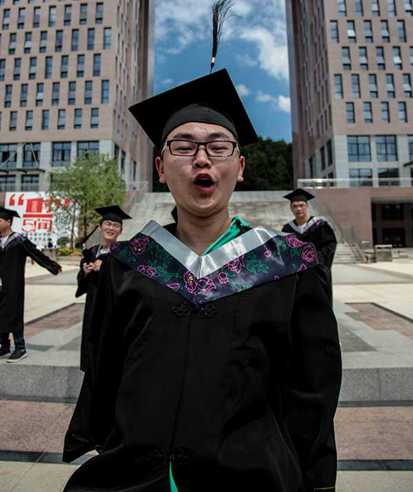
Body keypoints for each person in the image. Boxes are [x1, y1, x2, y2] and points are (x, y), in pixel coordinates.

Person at [63, 69, 342, 492]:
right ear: (160, 167)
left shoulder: (288, 265)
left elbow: (313, 390)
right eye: (183, 146)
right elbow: (104, 371)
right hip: (135, 477)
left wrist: (315, 478)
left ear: (240, 167)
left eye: (218, 146)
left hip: (251, 479)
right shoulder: (127, 265)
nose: (202, 158)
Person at [0, 207, 62, 362]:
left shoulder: (19, 240)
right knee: (1, 314)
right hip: (0, 284)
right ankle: (4, 346)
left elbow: (36, 254)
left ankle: (20, 348)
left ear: (8, 222)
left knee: (14, 313)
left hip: (14, 284)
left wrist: (52, 266)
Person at [76, 205, 131, 372]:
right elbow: (83, 286)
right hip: (93, 307)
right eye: (107, 224)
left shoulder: (125, 254)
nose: (111, 228)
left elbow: (130, 281)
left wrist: (107, 268)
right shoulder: (91, 252)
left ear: (121, 231)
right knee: (92, 347)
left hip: (114, 309)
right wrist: (85, 273)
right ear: (100, 227)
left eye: (115, 225)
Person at [282, 189, 337, 304]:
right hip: (297, 275)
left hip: (317, 273)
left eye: (301, 205)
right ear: (291, 208)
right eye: (295, 206)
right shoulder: (287, 229)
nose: (298, 209)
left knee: (318, 305)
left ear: (307, 206)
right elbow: (284, 250)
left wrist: (314, 259)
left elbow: (330, 246)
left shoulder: (320, 225)